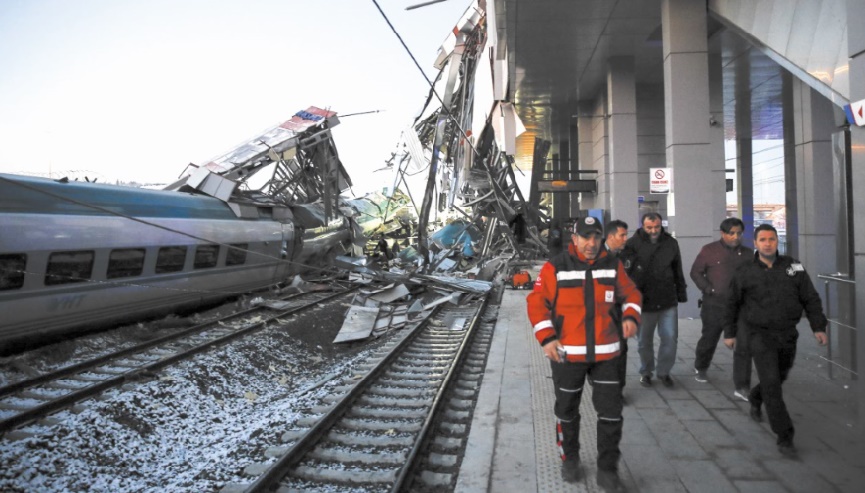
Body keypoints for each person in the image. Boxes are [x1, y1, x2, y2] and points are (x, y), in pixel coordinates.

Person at [527, 216, 641, 490]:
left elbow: (632, 294)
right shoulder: (556, 266)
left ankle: (608, 470)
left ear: (602, 239)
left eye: (596, 237)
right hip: (567, 355)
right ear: (575, 238)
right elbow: (537, 302)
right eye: (585, 237)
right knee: (567, 411)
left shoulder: (612, 265)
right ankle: (570, 459)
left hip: (607, 354)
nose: (591, 243)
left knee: (611, 415)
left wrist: (630, 317)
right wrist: (547, 339)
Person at [723, 224, 827, 458]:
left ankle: (756, 396)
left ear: (776, 241)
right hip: (759, 335)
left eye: (771, 239)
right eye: (763, 240)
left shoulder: (793, 267)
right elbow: (732, 304)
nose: (768, 243)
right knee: (771, 383)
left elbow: (810, 298)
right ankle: (785, 436)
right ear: (755, 243)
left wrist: (818, 326)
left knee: (779, 377)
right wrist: (729, 333)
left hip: (787, 334)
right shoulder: (745, 271)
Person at [689, 217, 753, 400]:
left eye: (739, 233)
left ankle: (742, 385)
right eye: (731, 233)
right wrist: (709, 289)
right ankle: (701, 367)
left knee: (743, 344)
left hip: (741, 307)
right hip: (714, 304)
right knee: (709, 339)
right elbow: (695, 272)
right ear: (722, 233)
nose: (735, 237)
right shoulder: (709, 250)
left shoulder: (748, 254)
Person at [622, 212, 687, 388]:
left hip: (667, 299)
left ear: (661, 225)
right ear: (642, 226)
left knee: (670, 338)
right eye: (649, 227)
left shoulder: (671, 243)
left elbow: (677, 269)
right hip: (644, 302)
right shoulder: (632, 244)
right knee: (644, 341)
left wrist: (681, 292)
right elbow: (627, 273)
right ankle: (646, 372)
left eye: (657, 227)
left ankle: (664, 372)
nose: (653, 231)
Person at [603, 220, 630, 395]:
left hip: (621, 310)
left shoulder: (629, 254)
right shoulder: (595, 254)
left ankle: (618, 389)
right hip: (601, 310)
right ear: (611, 236)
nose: (626, 239)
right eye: (622, 235)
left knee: (621, 348)